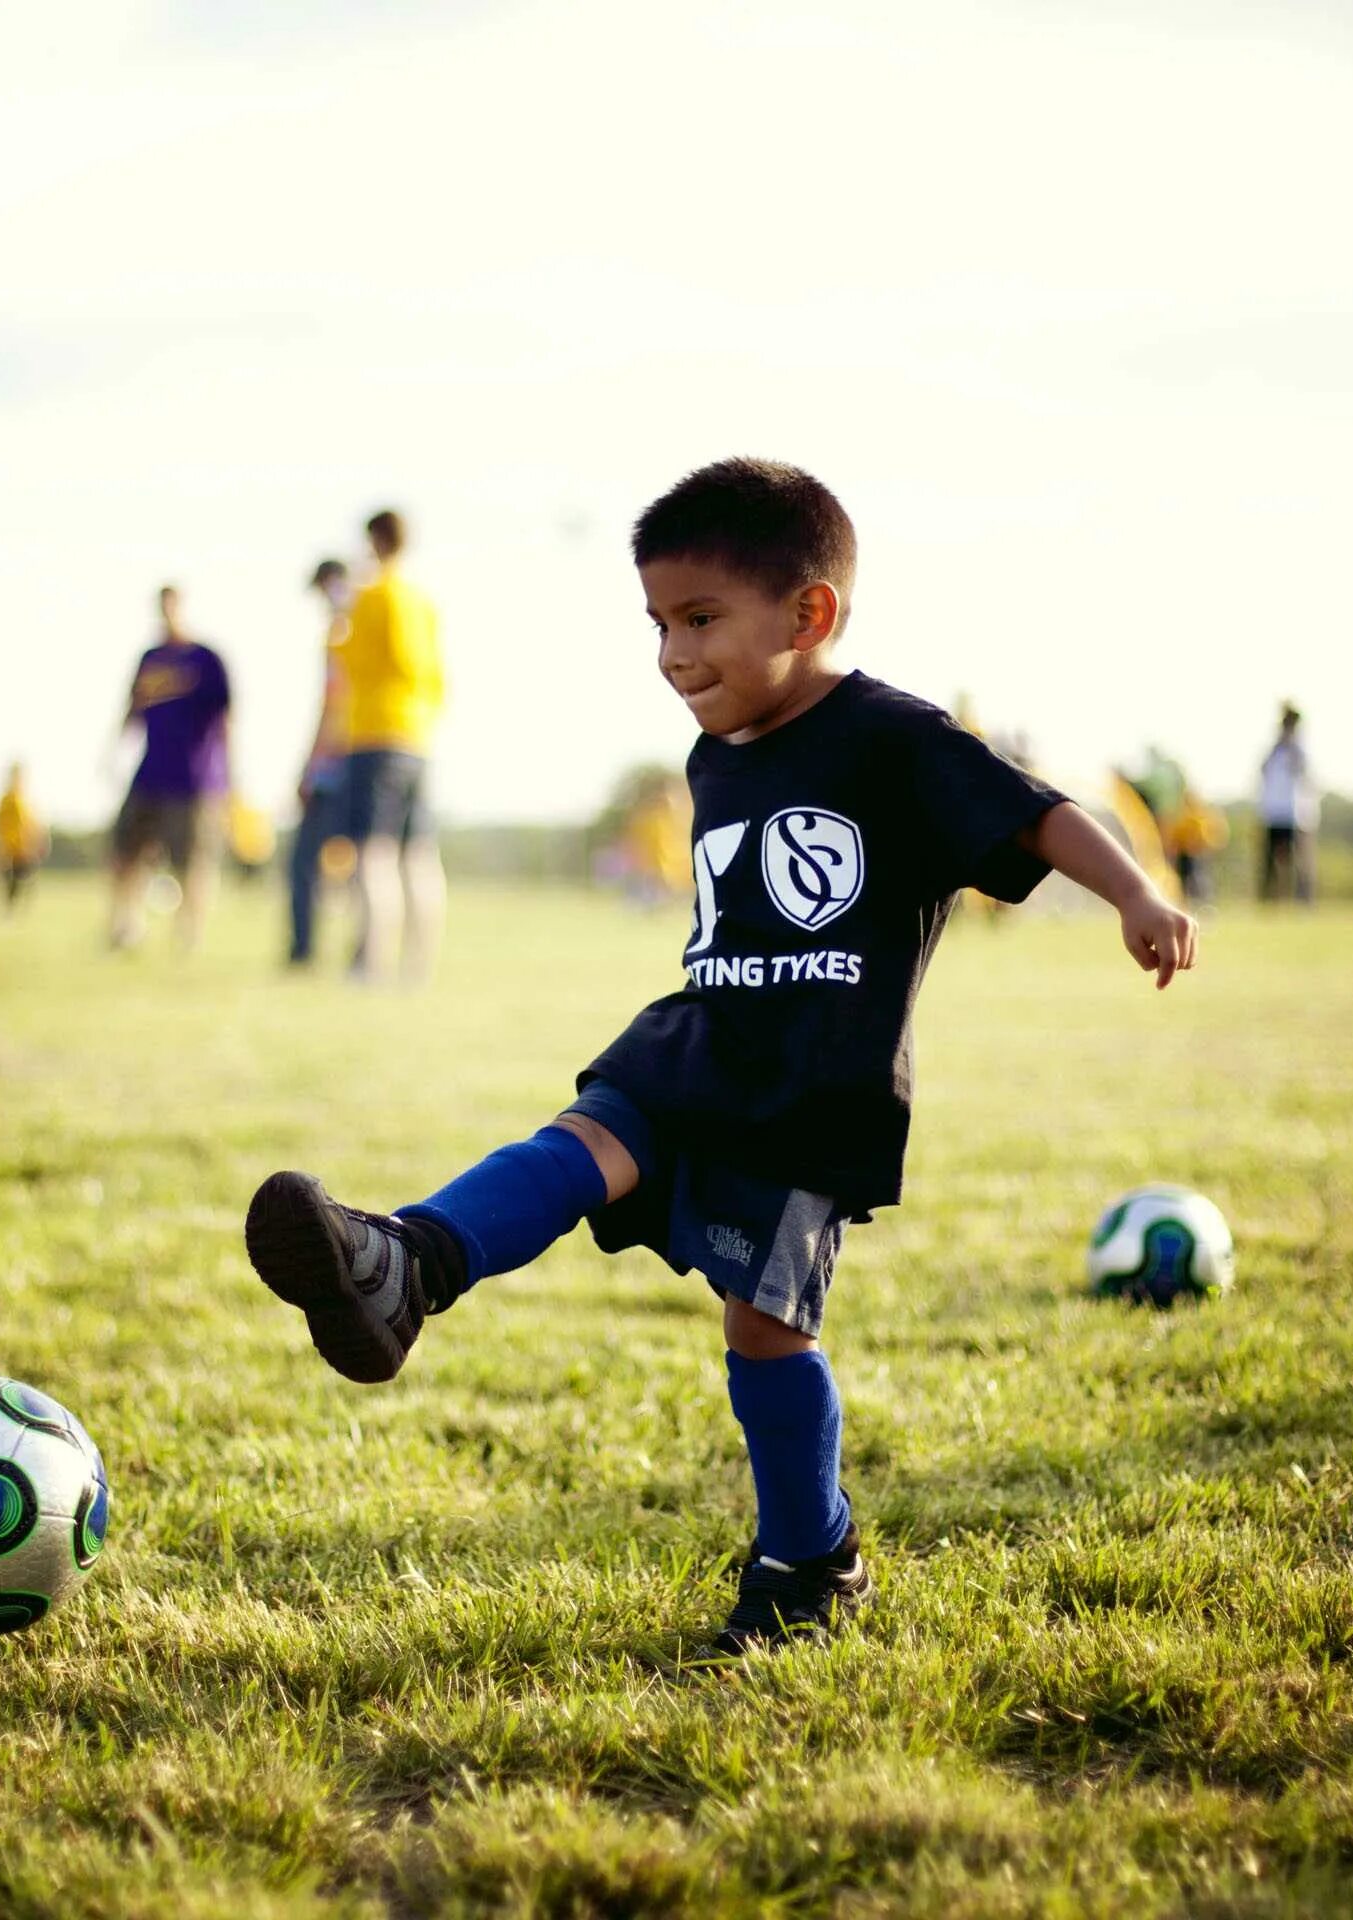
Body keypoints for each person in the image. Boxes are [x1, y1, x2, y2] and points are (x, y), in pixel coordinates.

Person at [239, 460, 1197, 1655]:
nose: (673, 653)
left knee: (764, 1332)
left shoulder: (894, 737)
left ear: (810, 614)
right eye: (656, 623)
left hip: (806, 1091)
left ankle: (812, 1553)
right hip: (700, 1037)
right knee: (581, 1141)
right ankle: (404, 1264)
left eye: (700, 620)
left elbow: (1041, 811)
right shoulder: (718, 752)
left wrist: (1136, 892)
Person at [335, 510, 446, 985]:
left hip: (375, 733)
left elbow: (349, 660)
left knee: (374, 854)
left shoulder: (372, 594)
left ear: (375, 541)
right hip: (417, 736)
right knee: (418, 854)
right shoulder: (423, 600)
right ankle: (418, 968)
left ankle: (371, 965)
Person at [107, 586, 232, 953]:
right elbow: (132, 707)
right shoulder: (150, 658)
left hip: (196, 779)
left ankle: (188, 936)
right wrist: (112, 751)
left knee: (192, 861)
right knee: (125, 850)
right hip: (151, 772)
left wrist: (232, 777)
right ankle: (125, 927)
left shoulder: (206, 659)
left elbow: (226, 719)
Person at [287, 558, 355, 968]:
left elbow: (330, 709)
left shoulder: (341, 637)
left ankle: (305, 951)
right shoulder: (350, 632)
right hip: (358, 761)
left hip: (338, 768)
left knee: (305, 864)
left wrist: (309, 768)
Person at [1257, 702, 1317, 904]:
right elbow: (1263, 770)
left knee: (1298, 861)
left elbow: (1302, 772)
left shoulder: (1299, 749)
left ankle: (1301, 899)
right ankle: (1270, 898)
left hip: (1296, 814)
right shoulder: (1275, 750)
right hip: (1273, 812)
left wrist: (1290, 745)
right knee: (1269, 861)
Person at [0, 761, 46, 913]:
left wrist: (35, 843)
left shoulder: (26, 801)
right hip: (8, 848)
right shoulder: (6, 800)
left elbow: (33, 826)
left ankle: (21, 908)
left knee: (24, 879)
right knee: (8, 881)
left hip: (23, 849)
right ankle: (9, 907)